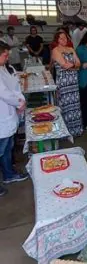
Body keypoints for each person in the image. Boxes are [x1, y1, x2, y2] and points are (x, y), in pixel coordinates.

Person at [0, 42, 29, 196]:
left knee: (7, 149)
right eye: (5, 55)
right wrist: (19, 102)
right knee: (1, 149)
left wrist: (20, 100)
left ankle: (8, 174)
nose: (7, 57)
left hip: (8, 115)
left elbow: (12, 86)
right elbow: (4, 93)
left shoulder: (4, 67)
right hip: (3, 116)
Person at [51, 30, 83, 137]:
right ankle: (66, 132)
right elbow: (65, 65)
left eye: (65, 38)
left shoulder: (71, 49)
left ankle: (76, 130)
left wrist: (73, 66)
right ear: (57, 40)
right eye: (61, 38)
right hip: (63, 81)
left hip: (73, 81)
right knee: (65, 105)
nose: (63, 40)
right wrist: (74, 66)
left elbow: (79, 64)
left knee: (75, 105)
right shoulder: (55, 50)